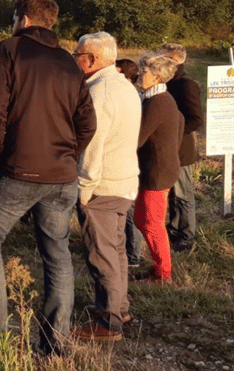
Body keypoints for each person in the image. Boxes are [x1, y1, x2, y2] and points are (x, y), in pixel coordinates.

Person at [0, 0, 96, 356]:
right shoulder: (68, 60)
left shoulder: (9, 49)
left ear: (23, 18)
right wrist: (67, 154)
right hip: (62, 176)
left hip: (19, 169)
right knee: (57, 253)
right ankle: (55, 343)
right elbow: (87, 122)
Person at [69, 33, 142, 342]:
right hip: (124, 181)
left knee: (102, 254)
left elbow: (92, 146)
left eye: (76, 54)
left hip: (103, 185)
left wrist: (84, 188)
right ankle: (120, 308)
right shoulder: (124, 86)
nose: (73, 59)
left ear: (92, 60)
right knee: (117, 250)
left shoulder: (99, 92)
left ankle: (108, 323)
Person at [133, 52, 184, 285]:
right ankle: (158, 266)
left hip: (157, 171)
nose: (138, 73)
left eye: (143, 71)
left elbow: (138, 138)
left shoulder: (158, 102)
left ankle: (163, 274)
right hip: (155, 168)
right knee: (142, 219)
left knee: (151, 223)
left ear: (157, 77)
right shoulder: (157, 98)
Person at [160, 44, 203, 252]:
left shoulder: (186, 85)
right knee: (172, 194)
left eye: (163, 58)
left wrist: (175, 133)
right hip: (169, 147)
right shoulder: (168, 83)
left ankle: (186, 236)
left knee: (183, 195)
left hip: (181, 148)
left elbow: (196, 119)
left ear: (175, 61)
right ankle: (174, 229)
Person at [115, 58, 144, 267]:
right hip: (128, 156)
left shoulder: (131, 96)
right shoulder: (133, 95)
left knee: (129, 211)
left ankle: (133, 254)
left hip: (130, 158)